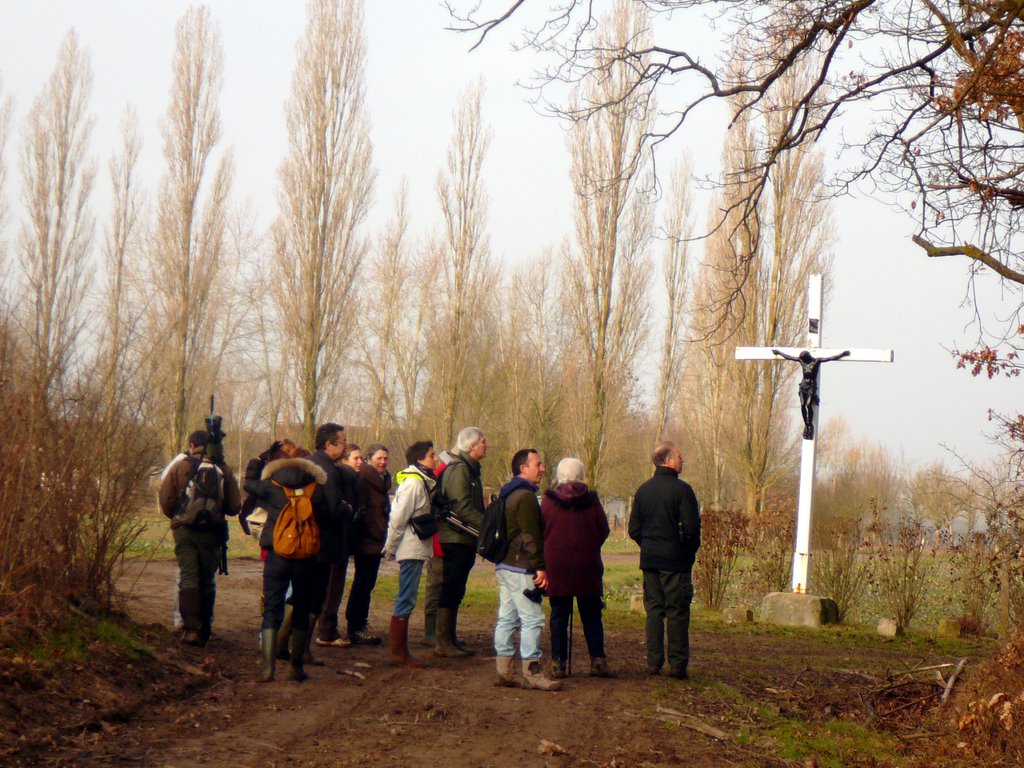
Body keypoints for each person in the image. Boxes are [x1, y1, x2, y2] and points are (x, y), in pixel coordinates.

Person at [246, 444, 331, 682]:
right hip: (306, 557)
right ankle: (296, 667)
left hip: (277, 555)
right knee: (301, 608)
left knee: (272, 608)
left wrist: (257, 460)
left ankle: (268, 669)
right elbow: (329, 513)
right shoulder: (316, 488)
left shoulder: (272, 486)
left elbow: (248, 484)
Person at [158, 429, 241, 647]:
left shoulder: (181, 466)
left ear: (192, 445)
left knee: (188, 576)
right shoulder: (223, 469)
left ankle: (190, 629)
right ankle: (205, 628)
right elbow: (234, 507)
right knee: (206, 578)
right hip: (212, 533)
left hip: (185, 530)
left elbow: (166, 499)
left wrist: (179, 515)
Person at [628, 441, 701, 680]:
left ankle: (653, 662)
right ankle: (678, 665)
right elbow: (692, 530)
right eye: (680, 456)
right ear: (668, 461)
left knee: (654, 611)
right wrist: (687, 552)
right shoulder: (683, 491)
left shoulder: (643, 490)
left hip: (650, 561)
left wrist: (649, 546)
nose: (683, 460)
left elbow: (634, 529)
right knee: (677, 612)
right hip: (676, 563)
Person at [492, 448, 561, 691]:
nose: (542, 469)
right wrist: (540, 568)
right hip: (521, 566)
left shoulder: (506, 492)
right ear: (523, 468)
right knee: (532, 618)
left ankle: (504, 670)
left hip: (505, 565)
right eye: (538, 464)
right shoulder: (526, 497)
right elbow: (531, 535)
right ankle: (532, 672)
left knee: (507, 618)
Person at [540, 457, 612, 679]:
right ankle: (597, 660)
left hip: (557, 565)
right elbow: (604, 530)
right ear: (581, 476)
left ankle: (558, 662)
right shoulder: (592, 502)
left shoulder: (548, 502)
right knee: (591, 614)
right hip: (587, 565)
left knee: (559, 614)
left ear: (559, 476)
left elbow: (540, 530)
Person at [383, 440, 439, 667]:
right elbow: (398, 518)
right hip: (411, 547)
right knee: (406, 597)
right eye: (432, 455)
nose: (435, 459)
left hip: (415, 546)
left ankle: (400, 651)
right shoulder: (414, 484)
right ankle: (398, 652)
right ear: (419, 459)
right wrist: (391, 546)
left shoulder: (420, 482)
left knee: (408, 596)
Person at [435, 427, 489, 658]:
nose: (487, 445)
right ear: (472, 446)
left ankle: (450, 637)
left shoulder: (470, 469)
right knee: (451, 586)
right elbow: (461, 505)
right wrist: (487, 524)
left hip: (464, 537)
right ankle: (442, 641)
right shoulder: (461, 470)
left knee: (457, 587)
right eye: (483, 442)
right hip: (455, 537)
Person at [307, 423, 351, 658]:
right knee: (316, 597)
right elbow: (334, 508)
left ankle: (293, 646)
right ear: (329, 444)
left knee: (303, 593)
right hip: (323, 542)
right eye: (342, 442)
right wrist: (348, 508)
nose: (344, 447)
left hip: (304, 539)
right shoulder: (329, 471)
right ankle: (301, 651)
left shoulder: (307, 464)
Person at [316, 442, 362, 648]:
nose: (360, 462)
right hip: (335, 541)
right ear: (344, 460)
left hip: (332, 540)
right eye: (356, 459)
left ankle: (325, 629)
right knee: (332, 587)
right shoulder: (343, 476)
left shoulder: (340, 475)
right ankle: (327, 631)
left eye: (362, 459)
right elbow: (343, 510)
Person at [347, 443, 390, 644]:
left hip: (377, 541)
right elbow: (363, 512)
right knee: (362, 583)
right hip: (367, 540)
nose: (382, 462)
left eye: (385, 459)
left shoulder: (383, 480)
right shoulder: (365, 479)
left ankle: (360, 623)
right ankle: (355, 626)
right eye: (379, 458)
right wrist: (380, 533)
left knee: (368, 583)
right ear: (369, 459)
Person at [771, 348, 850, 439]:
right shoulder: (802, 361)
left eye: (804, 359)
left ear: (807, 357)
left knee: (808, 405)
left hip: (811, 387)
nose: (802, 360)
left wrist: (842, 354)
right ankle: (807, 425)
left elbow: (831, 358)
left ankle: (810, 425)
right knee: (802, 405)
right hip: (803, 386)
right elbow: (789, 357)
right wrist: (778, 352)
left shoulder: (817, 361)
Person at [420, 448, 455, 646]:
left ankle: (443, 631)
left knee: (444, 585)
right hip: (437, 539)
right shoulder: (441, 473)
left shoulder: (445, 472)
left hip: (445, 538)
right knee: (434, 585)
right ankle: (430, 630)